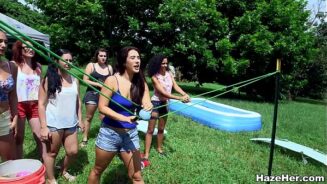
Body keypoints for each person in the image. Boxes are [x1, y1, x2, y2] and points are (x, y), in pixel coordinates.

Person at [88, 46, 152, 184]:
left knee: (137, 177)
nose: (137, 61)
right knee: (97, 170)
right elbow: (102, 107)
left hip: (130, 135)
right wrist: (123, 118)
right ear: (124, 62)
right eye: (132, 58)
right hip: (110, 133)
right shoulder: (112, 80)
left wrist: (148, 106)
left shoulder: (141, 82)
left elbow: (146, 101)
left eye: (138, 58)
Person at [38, 49, 84, 184]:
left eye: (70, 60)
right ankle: (50, 178)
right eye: (65, 60)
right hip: (54, 123)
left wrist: (80, 119)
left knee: (73, 151)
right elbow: (41, 104)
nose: (68, 63)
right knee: (52, 153)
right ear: (57, 61)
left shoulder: (75, 79)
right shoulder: (49, 79)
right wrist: (43, 126)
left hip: (71, 123)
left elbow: (78, 101)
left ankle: (63, 171)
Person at [143, 55, 190, 161]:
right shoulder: (154, 77)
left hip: (165, 104)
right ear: (157, 64)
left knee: (161, 129)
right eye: (162, 63)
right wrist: (179, 98)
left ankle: (159, 149)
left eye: (166, 63)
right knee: (150, 130)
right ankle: (146, 154)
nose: (164, 65)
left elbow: (175, 86)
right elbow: (163, 92)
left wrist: (184, 94)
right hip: (155, 103)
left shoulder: (169, 74)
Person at [12, 39, 43, 159]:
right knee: (18, 137)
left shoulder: (38, 67)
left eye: (33, 47)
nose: (31, 49)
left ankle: (43, 162)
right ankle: (18, 163)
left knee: (40, 136)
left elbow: (40, 87)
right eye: (27, 47)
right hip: (19, 105)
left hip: (35, 105)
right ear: (20, 49)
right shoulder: (14, 65)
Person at [81, 48, 113, 147]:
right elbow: (85, 80)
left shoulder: (109, 67)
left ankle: (103, 138)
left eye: (105, 56)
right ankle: (85, 138)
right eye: (101, 55)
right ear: (97, 56)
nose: (103, 58)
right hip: (92, 94)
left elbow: (112, 81)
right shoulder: (91, 65)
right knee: (89, 117)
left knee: (104, 117)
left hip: (104, 96)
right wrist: (98, 84)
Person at [0, 30, 18, 161]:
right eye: (0, 41)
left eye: (5, 42)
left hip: (4, 118)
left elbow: (13, 95)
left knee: (9, 161)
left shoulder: (11, 66)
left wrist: (15, 117)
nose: (3, 45)